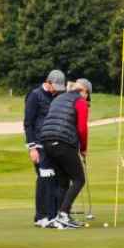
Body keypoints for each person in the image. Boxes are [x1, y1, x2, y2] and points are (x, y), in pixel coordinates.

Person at [40, 78, 91, 229]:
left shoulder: (59, 98)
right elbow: (82, 128)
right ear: (84, 91)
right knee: (79, 179)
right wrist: (83, 148)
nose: (87, 98)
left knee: (63, 182)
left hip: (47, 142)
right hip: (63, 142)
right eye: (88, 95)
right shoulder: (80, 101)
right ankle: (63, 214)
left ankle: (60, 217)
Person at [23, 69, 66, 227]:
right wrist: (32, 148)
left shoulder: (56, 96)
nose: (56, 90)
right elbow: (28, 123)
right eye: (55, 87)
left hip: (52, 144)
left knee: (50, 180)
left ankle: (47, 216)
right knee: (45, 179)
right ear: (48, 82)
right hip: (39, 145)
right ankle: (43, 217)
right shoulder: (35, 95)